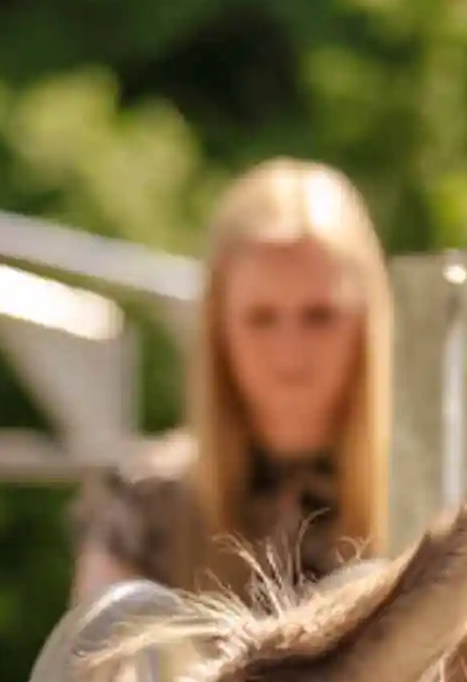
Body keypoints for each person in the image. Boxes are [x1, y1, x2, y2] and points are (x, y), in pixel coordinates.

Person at [71, 157, 394, 604]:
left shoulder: (433, 498)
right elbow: (102, 666)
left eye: (320, 316)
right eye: (261, 318)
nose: (290, 350)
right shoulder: (145, 507)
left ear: (366, 322)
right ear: (218, 328)